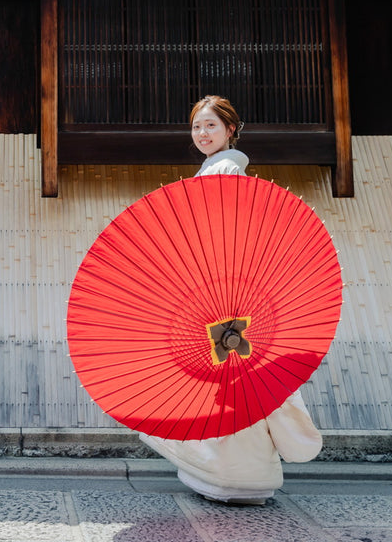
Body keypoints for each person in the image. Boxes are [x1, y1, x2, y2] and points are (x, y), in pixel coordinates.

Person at [138, 95, 323, 506]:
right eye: (196, 127)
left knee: (223, 380)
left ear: (230, 130)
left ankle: (232, 473)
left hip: (221, 289)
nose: (202, 133)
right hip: (224, 287)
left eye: (211, 126)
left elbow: (219, 234)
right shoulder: (218, 168)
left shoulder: (224, 170)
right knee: (237, 378)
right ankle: (243, 474)